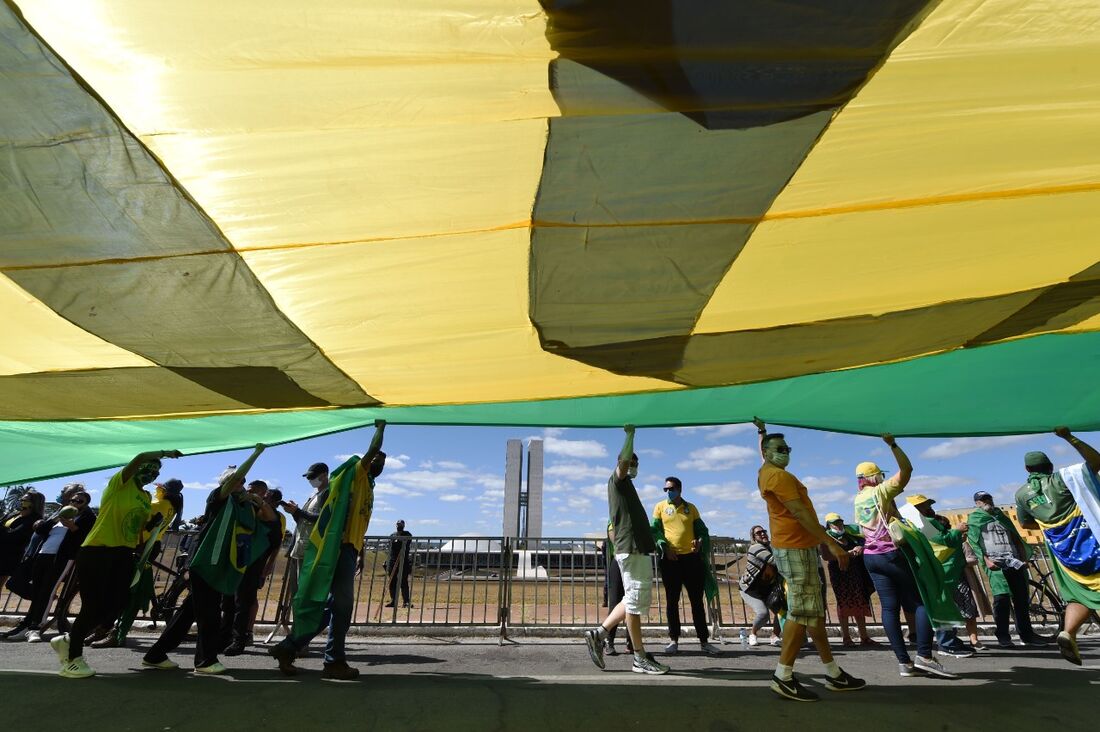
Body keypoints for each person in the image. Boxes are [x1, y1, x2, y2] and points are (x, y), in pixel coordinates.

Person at [752, 418, 864, 701]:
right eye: (780, 448)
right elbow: (800, 514)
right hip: (795, 549)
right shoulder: (779, 477)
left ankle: (832, 672)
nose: (785, 452)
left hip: (798, 547)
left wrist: (762, 433)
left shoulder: (766, 471)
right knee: (801, 612)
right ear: (767, 452)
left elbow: (764, 451)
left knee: (812, 613)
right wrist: (832, 543)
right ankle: (783, 676)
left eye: (788, 448)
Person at [49, 448, 182, 678]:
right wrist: (162, 454)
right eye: (148, 468)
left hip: (124, 552)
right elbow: (139, 457)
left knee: (119, 602)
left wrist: (152, 529)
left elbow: (137, 528)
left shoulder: (144, 497)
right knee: (92, 605)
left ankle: (69, 639)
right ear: (137, 468)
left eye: (156, 471)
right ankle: (72, 658)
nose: (151, 473)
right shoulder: (120, 484)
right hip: (97, 550)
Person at [270, 420, 387, 680]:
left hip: (349, 548)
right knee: (341, 606)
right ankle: (333, 660)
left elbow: (357, 519)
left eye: (382, 461)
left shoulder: (367, 486)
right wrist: (380, 429)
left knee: (336, 606)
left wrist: (359, 551)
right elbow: (370, 453)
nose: (379, 462)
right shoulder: (357, 473)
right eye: (376, 459)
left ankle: (290, 647)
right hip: (338, 549)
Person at [142, 445, 271, 673]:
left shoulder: (244, 506)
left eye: (242, 482)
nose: (240, 484)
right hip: (206, 563)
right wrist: (255, 455)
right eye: (236, 481)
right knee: (209, 614)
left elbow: (269, 520)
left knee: (187, 613)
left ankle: (155, 655)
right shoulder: (218, 497)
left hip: (221, 565)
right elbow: (234, 481)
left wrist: (257, 500)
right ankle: (205, 661)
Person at [852, 434, 957, 679]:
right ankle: (925, 655)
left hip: (871, 557)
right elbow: (907, 470)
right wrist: (893, 445)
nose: (883, 478)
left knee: (889, 608)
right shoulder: (880, 491)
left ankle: (903, 662)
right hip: (891, 553)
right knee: (921, 601)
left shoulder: (858, 499)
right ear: (873, 477)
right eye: (880, 474)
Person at [583, 425, 669, 675]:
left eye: (636, 462)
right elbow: (622, 462)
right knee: (633, 602)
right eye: (630, 461)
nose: (633, 465)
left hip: (637, 549)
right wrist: (630, 436)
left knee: (631, 599)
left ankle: (599, 634)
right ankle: (639, 657)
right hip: (629, 549)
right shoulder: (617, 481)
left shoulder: (628, 487)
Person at [1014, 428, 1100, 665]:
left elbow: (1025, 522)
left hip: (1062, 552)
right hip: (1089, 543)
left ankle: (1068, 632)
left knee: (1077, 594)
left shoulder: (1021, 495)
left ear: (1027, 470)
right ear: (1049, 466)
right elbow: (1096, 461)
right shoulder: (1063, 478)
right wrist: (1069, 437)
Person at [99, 479, 184, 647]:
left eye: (160, 487)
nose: (157, 489)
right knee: (129, 590)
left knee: (128, 592)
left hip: (142, 547)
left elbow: (139, 523)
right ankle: (108, 629)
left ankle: (116, 633)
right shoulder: (170, 506)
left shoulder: (157, 504)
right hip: (151, 545)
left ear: (164, 490)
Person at [4, 491, 94, 642]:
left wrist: (72, 526)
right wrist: (56, 519)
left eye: (80, 501)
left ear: (86, 504)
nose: (75, 503)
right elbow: (41, 530)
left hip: (62, 558)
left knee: (48, 591)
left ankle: (35, 628)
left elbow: (84, 537)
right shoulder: (61, 513)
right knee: (38, 591)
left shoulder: (86, 517)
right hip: (43, 553)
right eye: (73, 500)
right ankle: (26, 625)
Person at [651, 477, 718, 655]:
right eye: (665, 489)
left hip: (691, 559)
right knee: (672, 601)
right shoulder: (659, 507)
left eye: (671, 489)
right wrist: (664, 546)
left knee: (697, 601)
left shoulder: (691, 508)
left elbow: (702, 530)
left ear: (680, 489)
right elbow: (655, 530)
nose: (668, 492)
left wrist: (700, 541)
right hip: (670, 560)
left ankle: (704, 641)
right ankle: (674, 640)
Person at [967, 490, 1041, 648]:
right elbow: (974, 542)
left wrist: (1023, 558)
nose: (987, 501)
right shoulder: (975, 519)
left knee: (1021, 599)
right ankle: (1003, 635)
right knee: (1002, 599)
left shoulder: (1002, 516)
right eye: (983, 500)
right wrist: (986, 561)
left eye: (989, 498)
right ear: (977, 503)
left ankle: (1026, 634)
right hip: (995, 563)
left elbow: (1015, 537)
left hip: (1013, 560)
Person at [905, 495, 976, 658]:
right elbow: (944, 541)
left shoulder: (929, 522)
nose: (929, 508)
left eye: (928, 504)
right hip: (941, 571)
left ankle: (951, 640)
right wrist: (957, 531)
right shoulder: (923, 524)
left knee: (949, 606)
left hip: (947, 570)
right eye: (924, 506)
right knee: (943, 606)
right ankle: (946, 643)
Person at [225, 479, 284, 655]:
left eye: (253, 491)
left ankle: (239, 639)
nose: (248, 493)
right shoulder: (243, 507)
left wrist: (267, 569)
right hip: (236, 560)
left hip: (253, 563)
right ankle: (226, 635)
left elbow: (276, 545)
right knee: (229, 601)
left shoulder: (271, 514)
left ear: (263, 494)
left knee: (244, 602)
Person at [821, 513, 875, 647]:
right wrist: (846, 554)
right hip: (839, 574)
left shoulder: (850, 535)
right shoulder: (826, 538)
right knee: (843, 603)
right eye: (835, 523)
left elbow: (865, 543)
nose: (838, 525)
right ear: (829, 525)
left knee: (859, 600)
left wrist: (860, 548)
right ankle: (846, 637)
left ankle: (864, 636)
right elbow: (826, 556)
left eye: (840, 522)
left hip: (855, 573)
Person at [738, 525, 782, 647]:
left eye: (764, 531)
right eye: (759, 533)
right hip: (750, 589)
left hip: (767, 589)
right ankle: (752, 634)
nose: (763, 534)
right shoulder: (755, 547)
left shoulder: (771, 547)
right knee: (763, 614)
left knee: (781, 610)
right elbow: (773, 561)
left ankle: (774, 636)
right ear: (754, 537)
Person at [0, 490, 45, 591]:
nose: (21, 501)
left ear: (34, 504)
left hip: (7, 558)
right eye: (21, 499)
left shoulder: (34, 519)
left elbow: (13, 536)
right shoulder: (15, 514)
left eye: (25, 500)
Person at [602, 520, 633, 656]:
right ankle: (609, 641)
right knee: (615, 603)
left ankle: (631, 642)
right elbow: (614, 538)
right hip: (619, 562)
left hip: (634, 563)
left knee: (633, 604)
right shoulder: (614, 517)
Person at [385, 520, 413, 608]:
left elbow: (406, 541)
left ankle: (406, 602)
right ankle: (393, 600)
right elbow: (390, 547)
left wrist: (399, 540)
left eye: (400, 524)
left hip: (403, 561)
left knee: (403, 581)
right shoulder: (392, 535)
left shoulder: (407, 534)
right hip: (392, 560)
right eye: (397, 524)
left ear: (404, 525)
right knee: (392, 581)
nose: (399, 526)